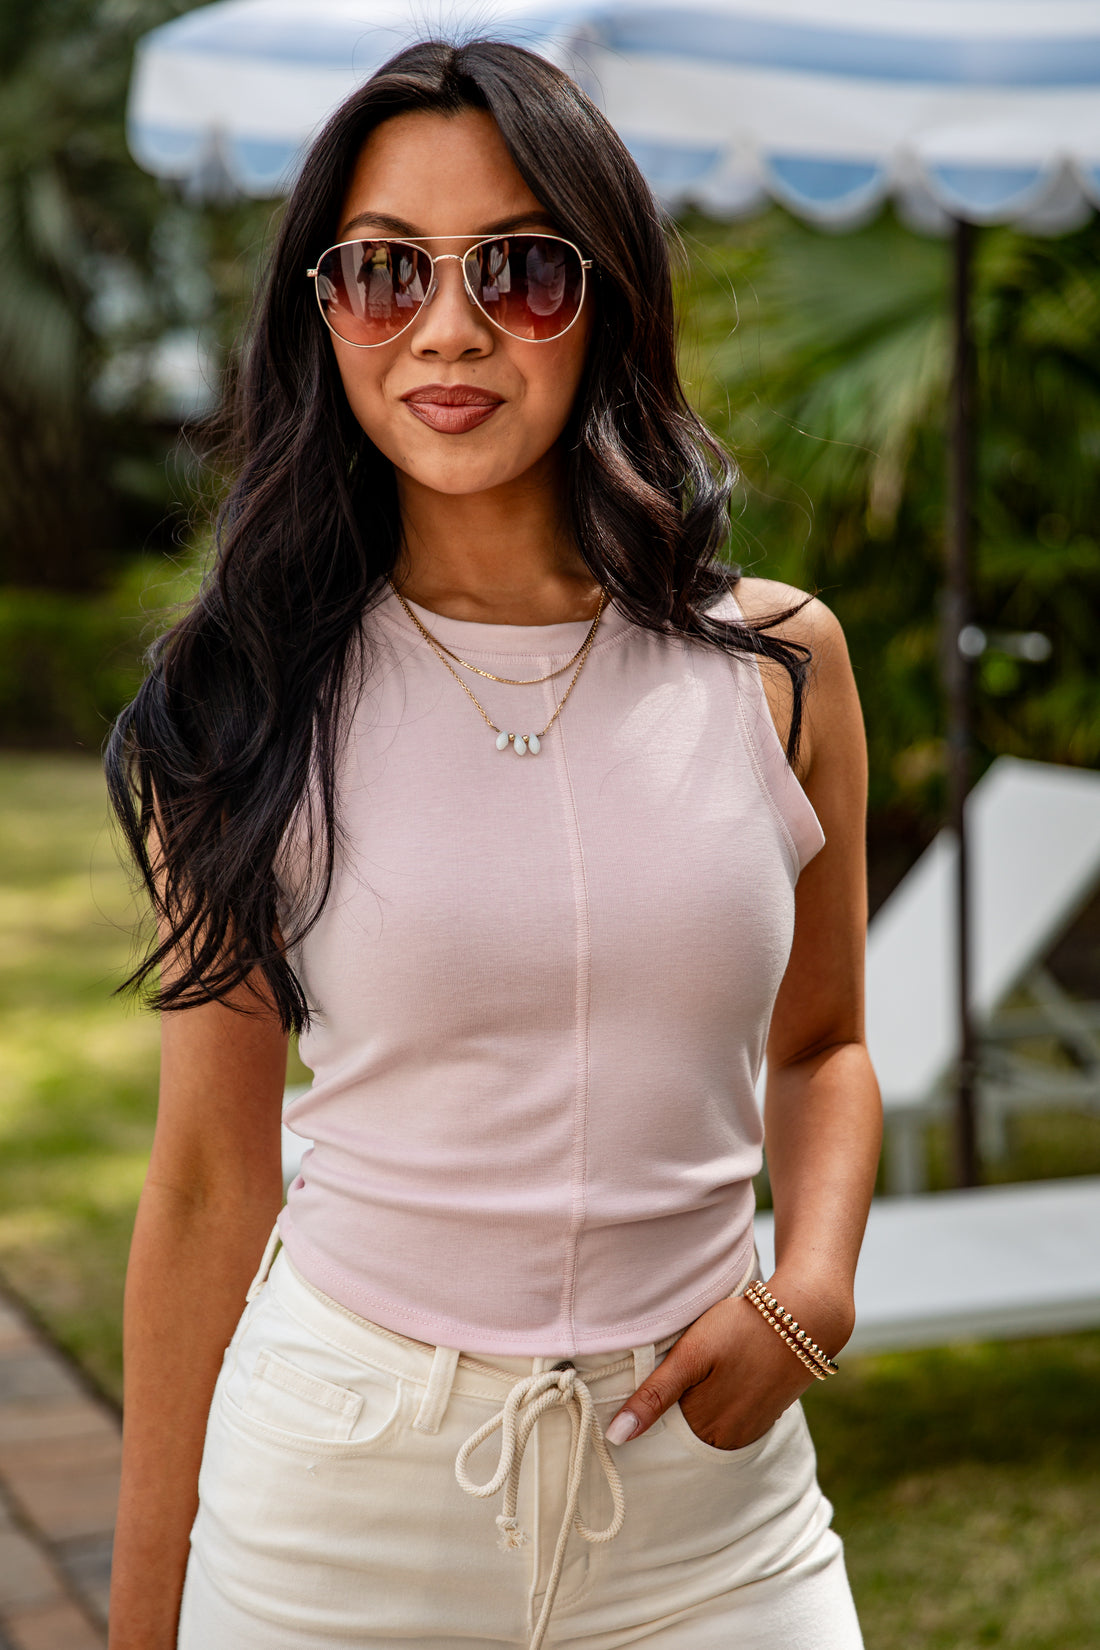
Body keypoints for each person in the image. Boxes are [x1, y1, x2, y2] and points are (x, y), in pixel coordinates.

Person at [105, 35, 881, 1650]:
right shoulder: (243, 700)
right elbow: (202, 1183)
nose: (449, 327)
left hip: (712, 1522)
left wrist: (808, 1288)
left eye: (520, 269)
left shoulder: (782, 664)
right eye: (386, 270)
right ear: (323, 309)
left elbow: (825, 1046)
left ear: (606, 299)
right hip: (339, 1508)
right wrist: (138, 1620)